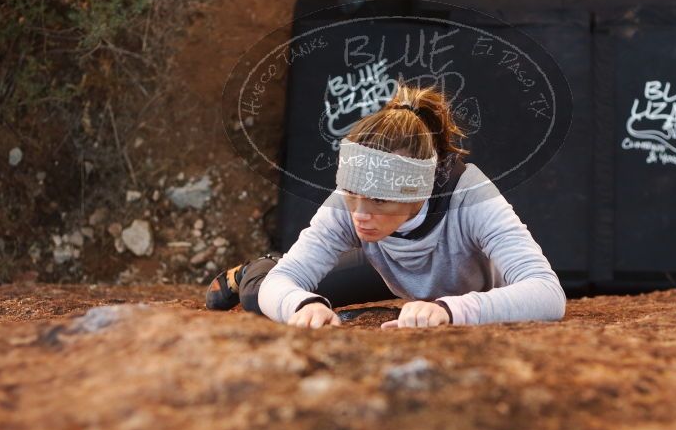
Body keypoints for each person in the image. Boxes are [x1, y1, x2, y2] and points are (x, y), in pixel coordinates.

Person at [206, 82, 566, 329]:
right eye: (350, 193)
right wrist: (303, 306)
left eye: (379, 200)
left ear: (419, 192)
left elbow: (547, 292)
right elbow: (287, 282)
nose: (359, 214)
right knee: (262, 294)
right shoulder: (350, 206)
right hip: (385, 267)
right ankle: (255, 267)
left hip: (444, 281)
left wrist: (449, 309)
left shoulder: (470, 197)